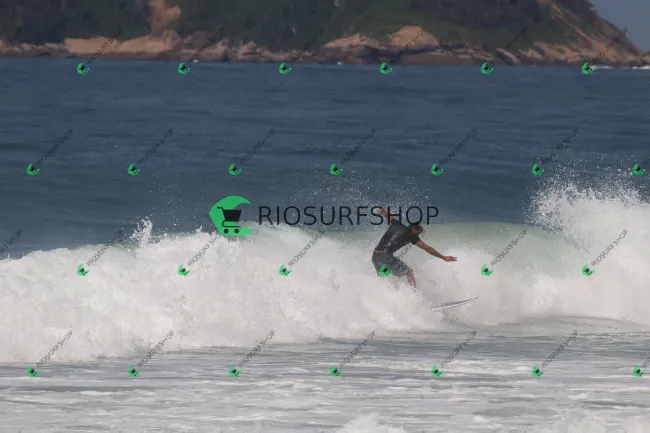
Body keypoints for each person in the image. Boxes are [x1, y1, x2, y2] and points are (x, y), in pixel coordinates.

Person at [371, 207, 457, 288]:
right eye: (419, 232)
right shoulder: (412, 235)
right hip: (386, 258)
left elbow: (390, 216)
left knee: (385, 276)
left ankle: (385, 296)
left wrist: (382, 211)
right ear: (415, 228)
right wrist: (443, 257)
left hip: (375, 258)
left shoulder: (396, 224)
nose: (419, 234)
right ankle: (414, 293)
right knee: (409, 272)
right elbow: (427, 248)